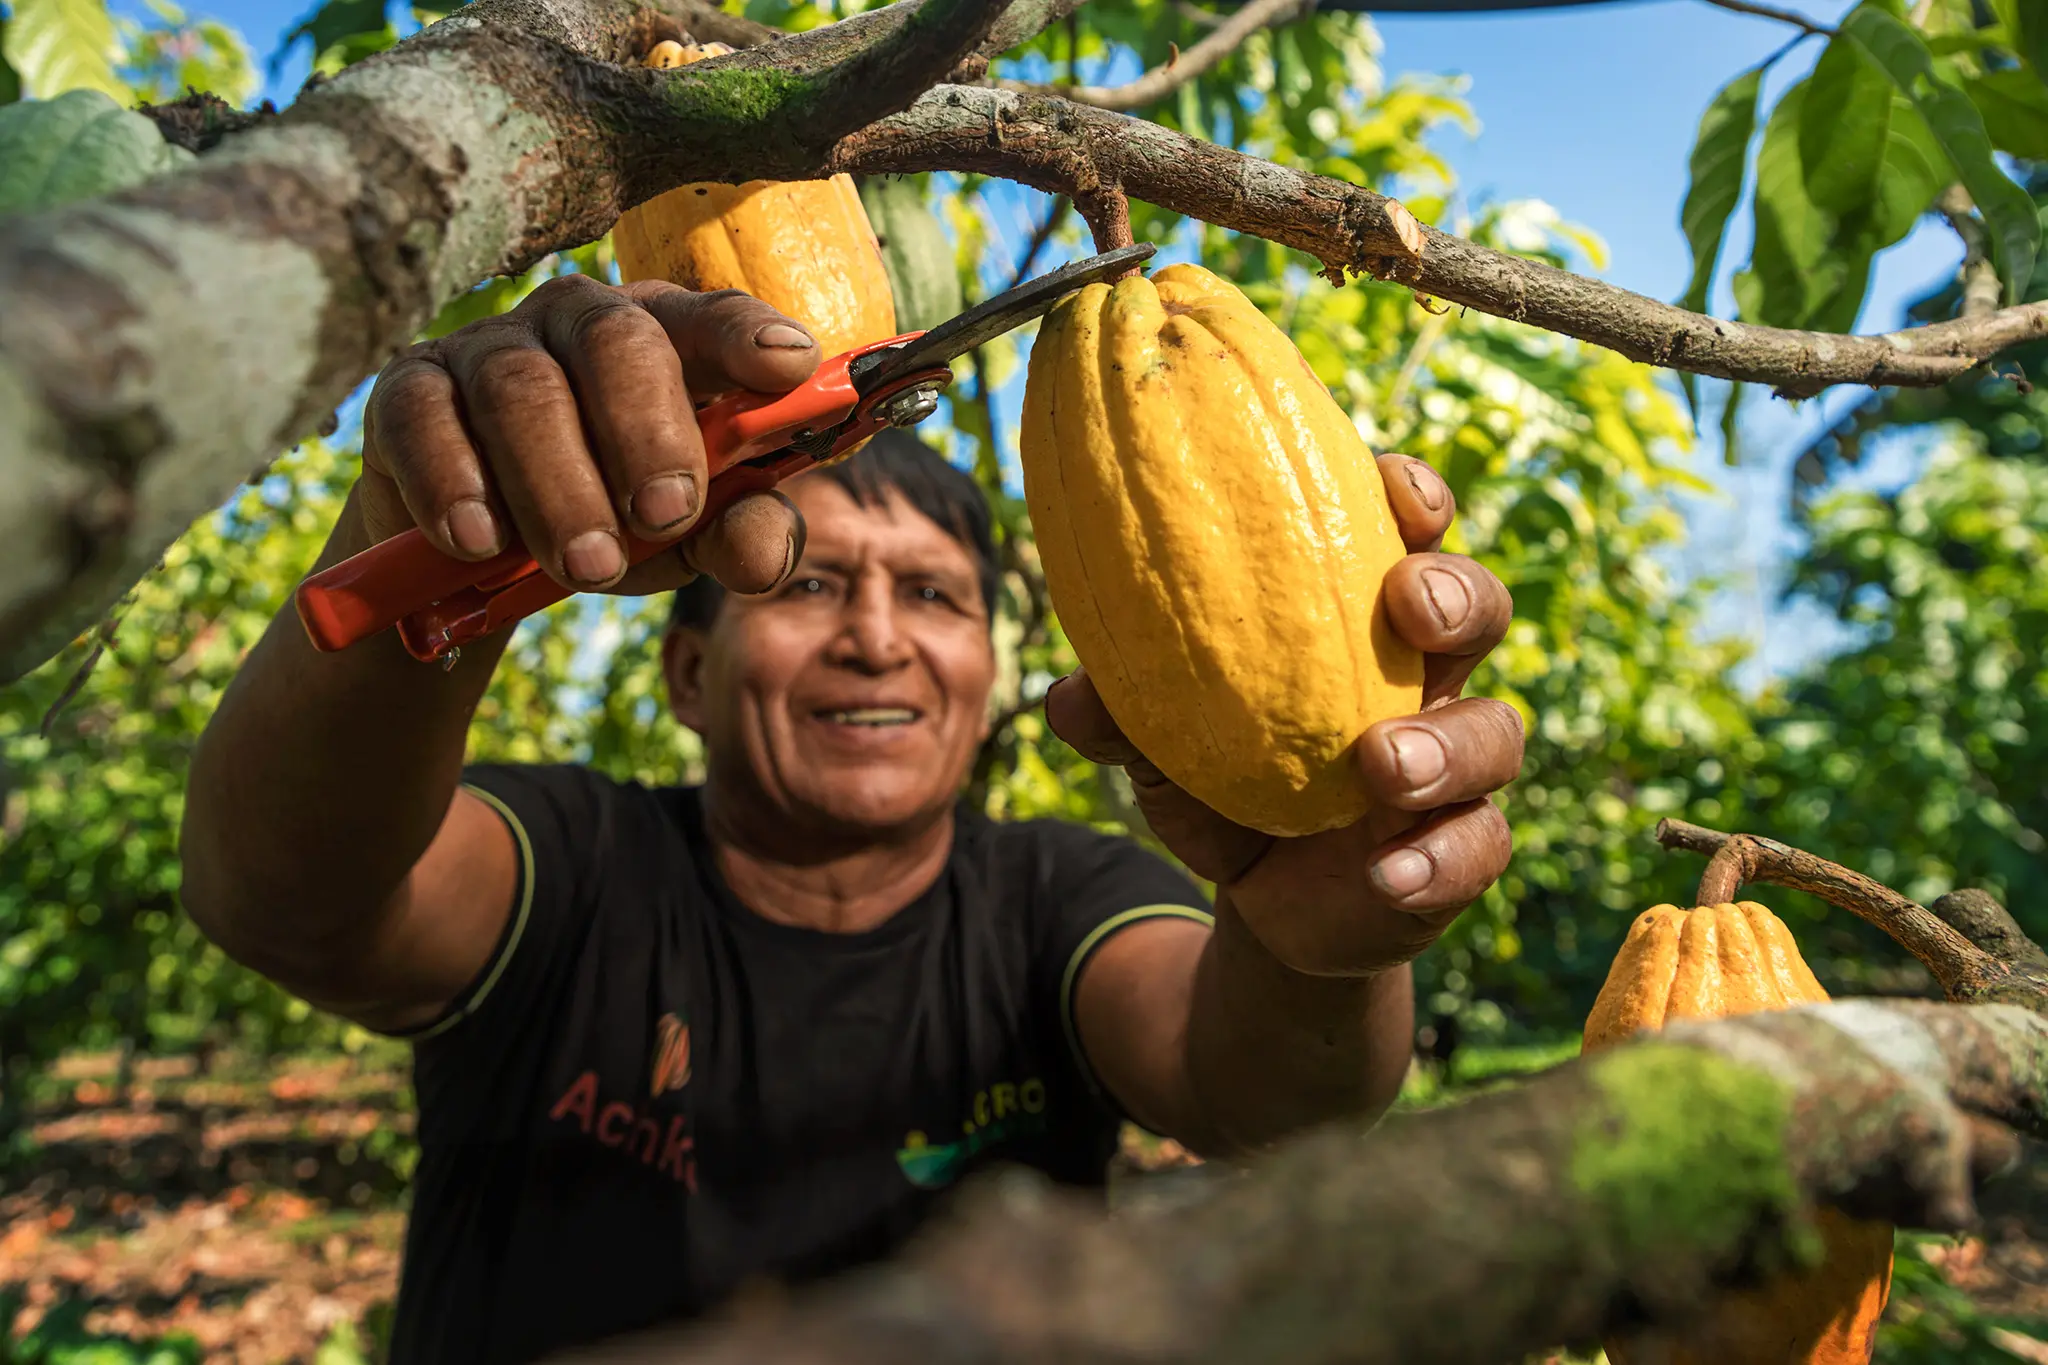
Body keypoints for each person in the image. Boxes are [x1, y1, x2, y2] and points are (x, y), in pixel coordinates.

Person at [180, 275, 1522, 1365]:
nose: (879, 641)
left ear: (993, 670)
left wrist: (1322, 925)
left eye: (936, 598)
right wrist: (432, 529)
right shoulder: (573, 870)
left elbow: (1263, 1096)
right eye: (811, 585)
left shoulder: (1057, 903)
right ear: (688, 672)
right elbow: (288, 896)